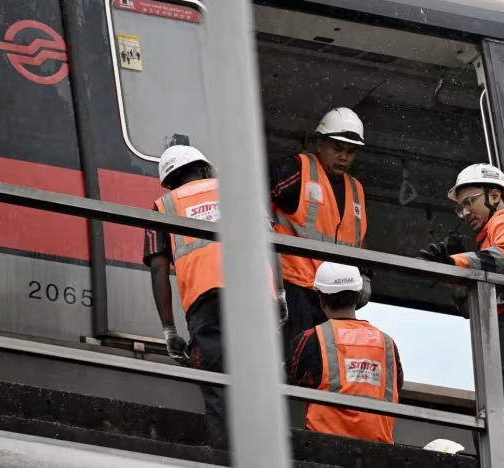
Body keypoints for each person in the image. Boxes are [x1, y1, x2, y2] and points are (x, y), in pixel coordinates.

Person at [144, 145, 280, 450]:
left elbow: (158, 269)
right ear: (205, 169)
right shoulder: (238, 193)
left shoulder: (163, 206)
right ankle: (268, 451)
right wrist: (280, 294)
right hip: (255, 295)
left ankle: (227, 453)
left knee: (218, 384)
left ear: (169, 182)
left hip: (206, 303)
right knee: (260, 379)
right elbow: (271, 243)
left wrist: (169, 330)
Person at [418, 163, 504, 432]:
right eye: (461, 207)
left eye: (469, 202)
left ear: (495, 196)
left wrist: (455, 262)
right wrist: (455, 272)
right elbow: (469, 308)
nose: (465, 212)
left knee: (493, 416)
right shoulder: (489, 240)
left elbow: (503, 259)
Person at [270, 107, 371, 355]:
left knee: (325, 359)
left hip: (336, 294)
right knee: (294, 354)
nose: (343, 157)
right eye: (337, 148)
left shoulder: (356, 189)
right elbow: (255, 191)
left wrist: (366, 276)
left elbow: (357, 242)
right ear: (319, 143)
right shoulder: (297, 169)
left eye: (350, 151)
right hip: (295, 285)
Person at [285, 262, 403, 443]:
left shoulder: (312, 338)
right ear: (358, 296)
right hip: (378, 450)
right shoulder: (388, 343)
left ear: (321, 300)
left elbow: (287, 378)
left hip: (325, 447)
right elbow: (397, 385)